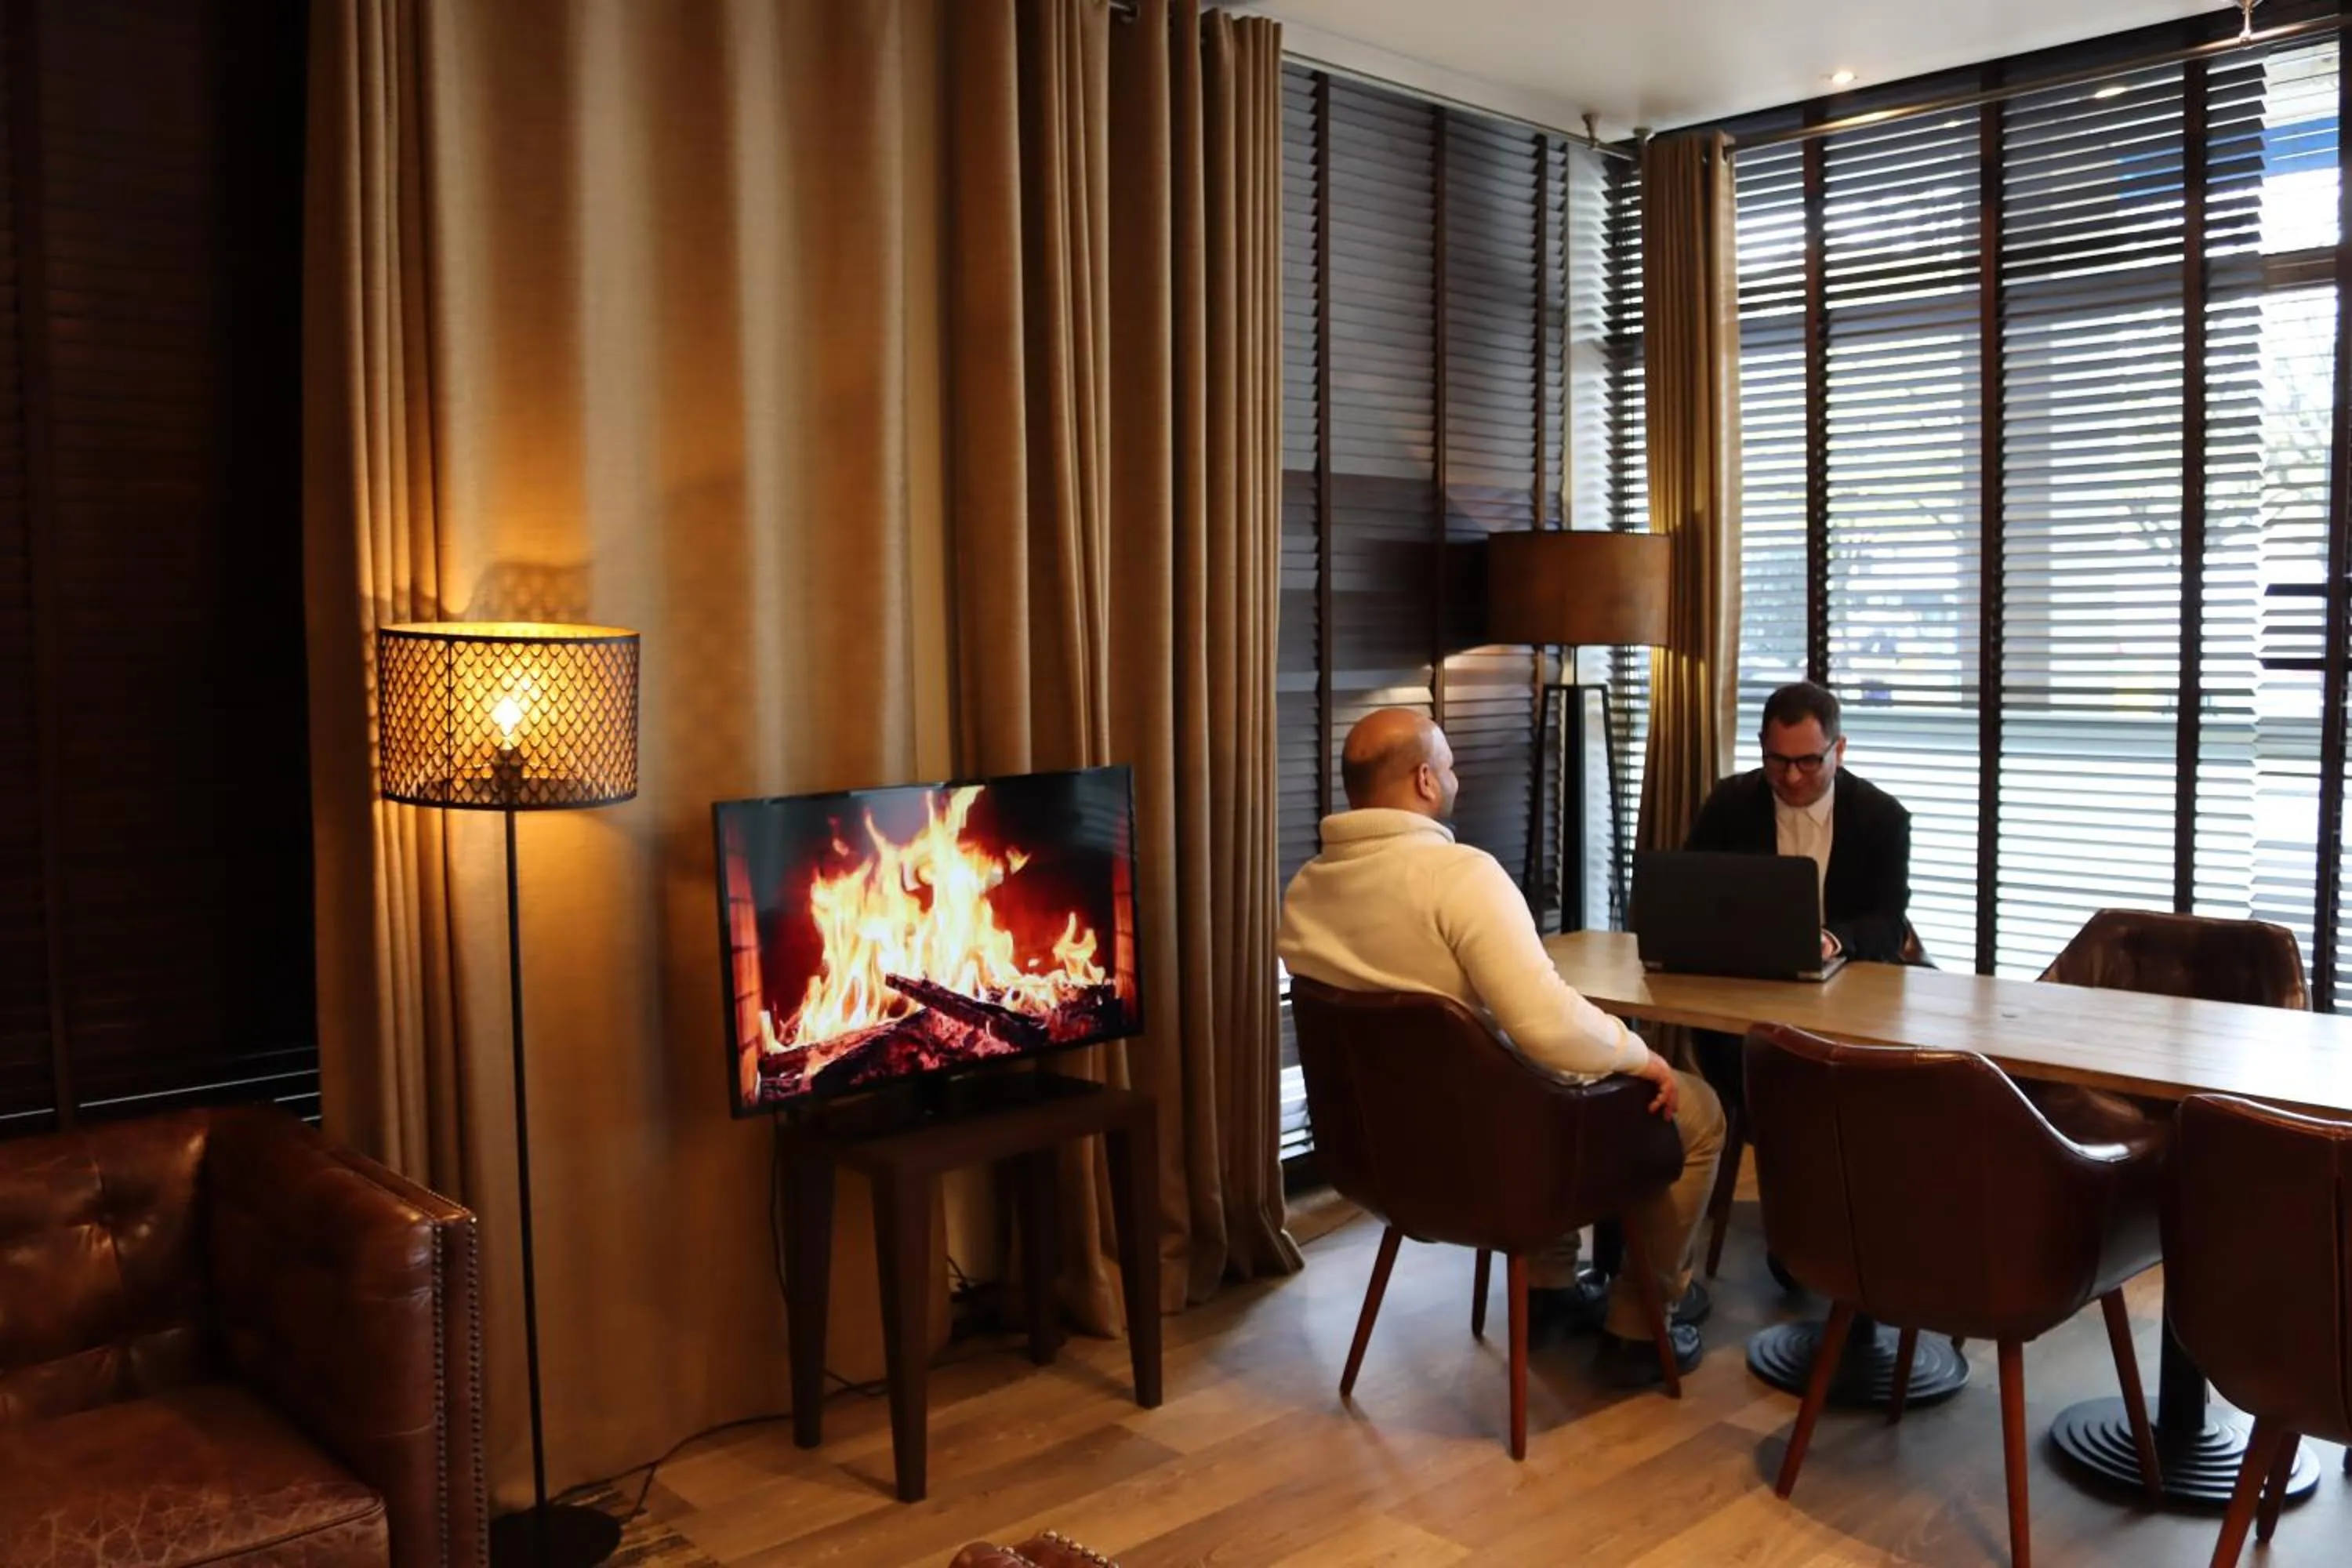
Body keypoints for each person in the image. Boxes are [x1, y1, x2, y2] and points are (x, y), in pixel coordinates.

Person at [1278, 707, 1724, 1384]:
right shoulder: (1459, 876)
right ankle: (1640, 1323)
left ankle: (1546, 1289)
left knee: (1522, 1080)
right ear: (1426, 780)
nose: (1457, 776)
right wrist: (1642, 1055)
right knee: (1696, 1113)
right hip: (1493, 1160)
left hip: (1386, 1163)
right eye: (1451, 764)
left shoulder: (1306, 890)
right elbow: (1547, 1022)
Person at [1684, 681, 1912, 967]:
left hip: (1848, 974)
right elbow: (1691, 896)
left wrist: (1832, 940)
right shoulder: (1729, 803)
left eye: (1808, 762)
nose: (1792, 777)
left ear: (1839, 750)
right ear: (1761, 745)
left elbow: (1889, 925)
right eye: (1778, 760)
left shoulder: (1881, 817)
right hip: (1745, 968)